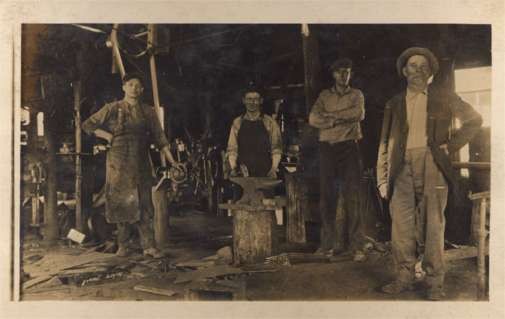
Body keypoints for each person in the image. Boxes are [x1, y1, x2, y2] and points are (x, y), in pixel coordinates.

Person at [376, 47, 482, 300]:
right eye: (413, 66)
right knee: (401, 225)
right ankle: (404, 276)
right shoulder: (394, 103)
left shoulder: (444, 96)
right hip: (400, 167)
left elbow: (474, 120)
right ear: (404, 71)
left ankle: (434, 282)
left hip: (432, 163)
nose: (418, 71)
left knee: (433, 224)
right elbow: (384, 143)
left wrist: (451, 145)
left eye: (424, 66)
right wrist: (382, 177)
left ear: (431, 72)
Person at [82, 73, 179, 258]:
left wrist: (173, 161)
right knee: (121, 203)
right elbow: (87, 125)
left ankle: (149, 246)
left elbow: (160, 138)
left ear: (142, 90)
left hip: (141, 161)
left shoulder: (149, 111)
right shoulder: (112, 108)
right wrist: (107, 136)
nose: (134, 88)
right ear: (124, 87)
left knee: (144, 203)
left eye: (138, 86)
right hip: (118, 162)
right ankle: (123, 246)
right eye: (131, 84)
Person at [309, 58, 366, 261]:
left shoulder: (357, 95)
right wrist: (342, 118)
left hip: (349, 148)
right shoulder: (324, 95)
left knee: (353, 197)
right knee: (327, 197)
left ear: (350, 74)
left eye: (347, 72)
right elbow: (313, 118)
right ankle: (328, 246)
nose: (343, 75)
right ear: (333, 74)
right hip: (327, 150)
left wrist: (332, 117)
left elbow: (358, 113)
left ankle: (357, 247)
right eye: (339, 72)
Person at [226, 85, 282, 178]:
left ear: (261, 101)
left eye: (256, 99)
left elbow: (276, 149)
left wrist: (273, 169)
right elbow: (232, 149)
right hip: (243, 175)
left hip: (265, 174)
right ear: (244, 101)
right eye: (249, 99)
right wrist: (233, 168)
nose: (252, 102)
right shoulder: (237, 123)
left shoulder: (270, 122)